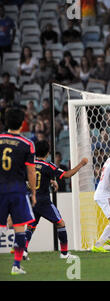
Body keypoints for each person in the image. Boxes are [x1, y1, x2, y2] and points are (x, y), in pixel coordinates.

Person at [24, 140, 88, 260]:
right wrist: (81, 164)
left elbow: (30, 178)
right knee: (60, 223)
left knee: (31, 226)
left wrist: (51, 181)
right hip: (43, 201)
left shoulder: (29, 164)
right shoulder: (48, 166)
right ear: (47, 153)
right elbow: (67, 175)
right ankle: (64, 253)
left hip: (31, 199)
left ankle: (23, 250)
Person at [0, 108, 36, 275]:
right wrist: (34, 193)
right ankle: (16, 266)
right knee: (20, 228)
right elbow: (31, 172)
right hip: (17, 191)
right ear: (23, 123)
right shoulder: (27, 144)